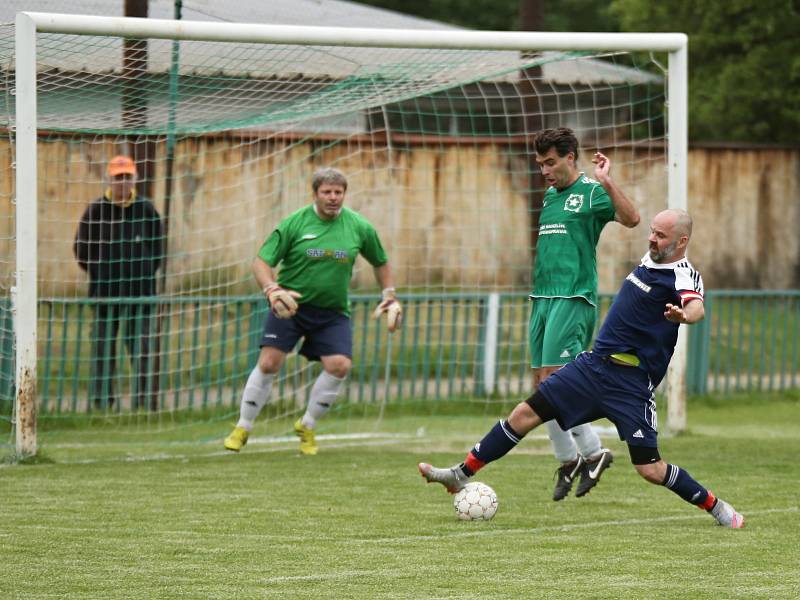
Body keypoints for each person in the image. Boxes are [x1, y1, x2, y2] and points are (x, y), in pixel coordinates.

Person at [419, 209, 745, 528]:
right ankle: (459, 475)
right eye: (652, 231)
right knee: (524, 414)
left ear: (682, 240)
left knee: (651, 470)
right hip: (591, 368)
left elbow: (697, 306)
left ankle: (715, 506)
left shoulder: (684, 275)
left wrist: (685, 316)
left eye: (661, 235)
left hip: (630, 384)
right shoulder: (651, 259)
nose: (652, 239)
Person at [223, 167, 401, 456]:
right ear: (315, 193)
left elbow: (381, 261)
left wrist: (389, 295)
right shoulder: (295, 223)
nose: (333, 197)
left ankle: (307, 425)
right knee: (269, 362)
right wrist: (272, 289)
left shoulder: (359, 227)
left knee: (340, 366)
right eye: (327, 192)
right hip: (290, 307)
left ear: (344, 193)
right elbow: (260, 262)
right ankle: (243, 426)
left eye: (338, 192)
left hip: (332, 312)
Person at [529, 127, 640, 500]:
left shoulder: (590, 193)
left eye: (551, 162)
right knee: (542, 388)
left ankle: (588, 453)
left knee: (556, 382)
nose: (545, 170)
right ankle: (577, 456)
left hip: (572, 297)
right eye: (541, 164)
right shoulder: (549, 196)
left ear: (570, 157)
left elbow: (632, 218)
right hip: (542, 298)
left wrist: (607, 182)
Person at [74, 155, 164, 411]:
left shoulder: (147, 210)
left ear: (135, 178)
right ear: (109, 179)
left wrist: (144, 271)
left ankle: (142, 404)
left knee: (141, 350)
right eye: (118, 177)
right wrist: (100, 271)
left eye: (127, 177)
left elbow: (158, 250)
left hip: (140, 295)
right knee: (103, 350)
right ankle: (102, 403)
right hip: (105, 294)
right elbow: (81, 249)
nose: (123, 182)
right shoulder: (95, 210)